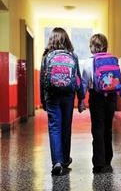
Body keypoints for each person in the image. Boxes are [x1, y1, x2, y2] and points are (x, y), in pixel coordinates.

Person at [81, 33, 121, 174]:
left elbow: (84, 83)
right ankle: (108, 160)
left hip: (96, 98)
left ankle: (99, 163)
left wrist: (82, 101)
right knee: (108, 129)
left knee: (97, 130)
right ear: (105, 46)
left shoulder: (89, 62)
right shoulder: (113, 60)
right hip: (111, 98)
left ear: (92, 47)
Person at [40, 27, 85, 175]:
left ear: (51, 39)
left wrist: (43, 100)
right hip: (68, 95)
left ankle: (57, 162)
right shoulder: (73, 55)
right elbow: (77, 78)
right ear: (67, 39)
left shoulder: (47, 56)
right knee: (66, 127)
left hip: (51, 95)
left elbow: (42, 79)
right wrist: (81, 99)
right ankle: (65, 159)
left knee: (54, 128)